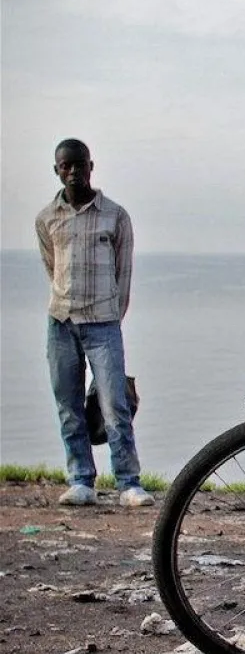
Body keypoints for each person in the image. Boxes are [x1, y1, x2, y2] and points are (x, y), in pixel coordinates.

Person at [35, 139, 154, 507]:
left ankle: (128, 483)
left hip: (103, 323)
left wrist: (113, 315)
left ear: (91, 166)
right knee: (68, 403)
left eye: (79, 164)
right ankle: (81, 479)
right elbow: (52, 265)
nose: (73, 171)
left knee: (115, 404)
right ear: (57, 170)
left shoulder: (115, 215)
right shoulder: (46, 218)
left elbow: (124, 272)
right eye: (65, 166)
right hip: (61, 321)